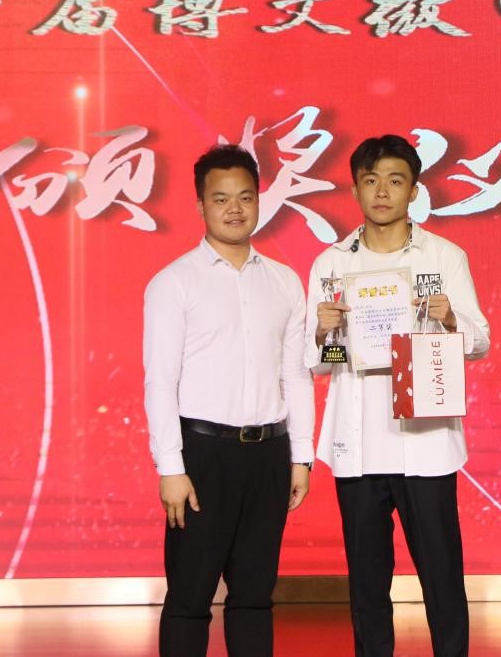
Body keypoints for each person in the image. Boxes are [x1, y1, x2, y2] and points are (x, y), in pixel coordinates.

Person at [305, 134, 490, 657]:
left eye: (395, 180)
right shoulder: (331, 264)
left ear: (414, 190)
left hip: (425, 440)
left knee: (442, 578)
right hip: (358, 444)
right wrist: (323, 333)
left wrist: (451, 319)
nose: (382, 192)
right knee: (366, 585)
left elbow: (479, 341)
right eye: (371, 180)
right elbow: (319, 363)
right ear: (355, 189)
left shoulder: (444, 256)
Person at [143, 144, 315, 657]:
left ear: (259, 200)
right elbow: (160, 381)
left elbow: (295, 374)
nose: (234, 209)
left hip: (269, 455)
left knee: (255, 598)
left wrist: (301, 456)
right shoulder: (173, 282)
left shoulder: (284, 281)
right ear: (201, 205)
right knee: (190, 597)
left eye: (245, 196)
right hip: (202, 456)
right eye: (221, 199)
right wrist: (170, 468)